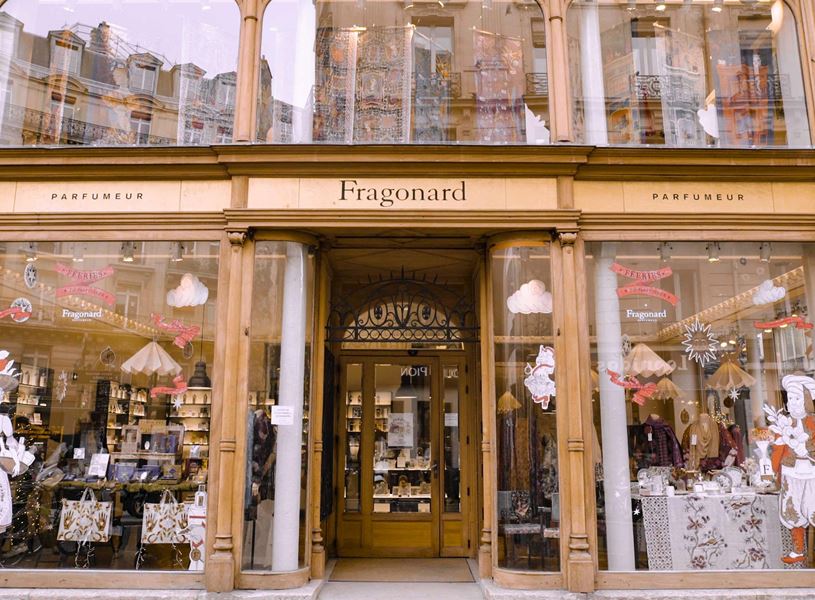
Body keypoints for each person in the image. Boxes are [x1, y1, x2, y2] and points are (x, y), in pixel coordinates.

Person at [770, 375, 815, 564]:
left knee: (812, 507)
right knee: (792, 510)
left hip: (812, 473)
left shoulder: (813, 422)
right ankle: (798, 550)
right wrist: (773, 472)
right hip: (791, 473)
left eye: (797, 399)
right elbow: (778, 450)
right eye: (790, 399)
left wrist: (809, 450)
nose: (793, 404)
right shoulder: (784, 424)